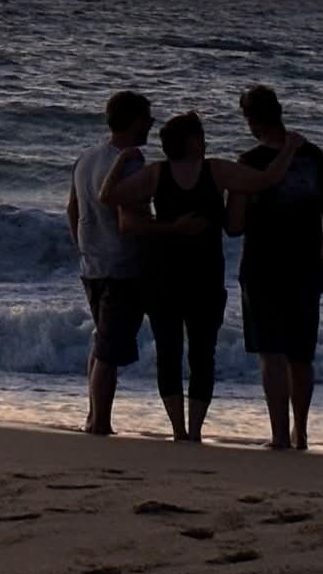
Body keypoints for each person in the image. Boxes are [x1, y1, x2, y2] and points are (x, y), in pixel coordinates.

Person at [98, 111, 303, 442]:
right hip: (202, 278)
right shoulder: (215, 171)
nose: (205, 141)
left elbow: (108, 195)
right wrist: (290, 149)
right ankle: (192, 430)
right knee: (200, 353)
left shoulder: (157, 174)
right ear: (192, 141)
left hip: (164, 277)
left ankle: (180, 429)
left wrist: (121, 163)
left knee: (172, 351)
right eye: (202, 136)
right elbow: (265, 179)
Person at [227, 83, 323, 450]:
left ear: (252, 120)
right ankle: (301, 431)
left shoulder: (249, 162)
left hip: (262, 268)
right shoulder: (317, 158)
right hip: (306, 268)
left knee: (271, 354)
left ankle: (278, 435)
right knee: (301, 355)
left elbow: (236, 225)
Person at [66, 88, 166, 436]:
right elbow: (132, 217)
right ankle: (100, 422)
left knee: (102, 341)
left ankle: (94, 415)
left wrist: (83, 244)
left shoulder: (86, 158)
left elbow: (73, 210)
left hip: (91, 263)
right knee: (109, 348)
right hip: (121, 265)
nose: (151, 125)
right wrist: (169, 230)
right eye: (148, 119)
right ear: (134, 120)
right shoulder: (129, 160)